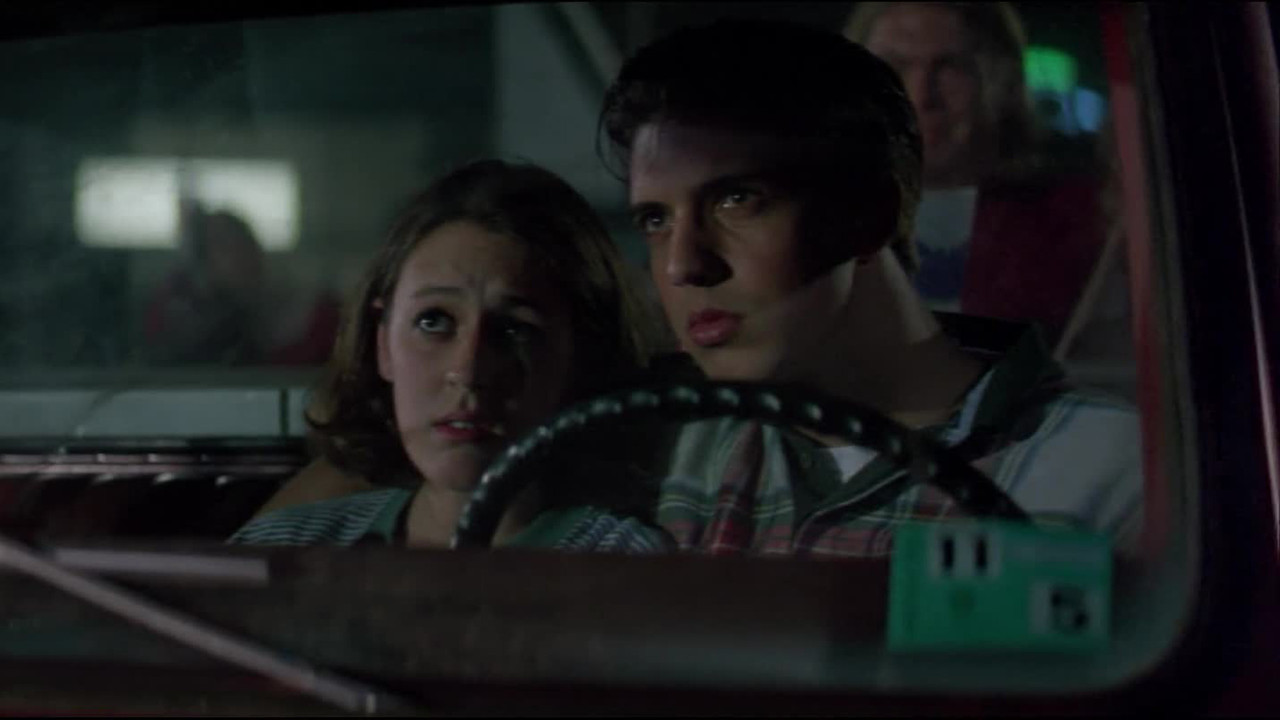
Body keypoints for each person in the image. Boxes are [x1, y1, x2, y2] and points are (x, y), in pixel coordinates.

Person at [598, 19, 1142, 557]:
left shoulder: (1096, 471)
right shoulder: (679, 458)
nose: (682, 264)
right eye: (655, 220)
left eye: (736, 200)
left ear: (868, 215)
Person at [231, 160, 669, 551]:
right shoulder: (289, 547)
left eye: (514, 330)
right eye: (433, 321)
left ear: (581, 353)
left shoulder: (629, 567)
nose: (468, 370)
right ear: (383, 345)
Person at [844, 2, 1110, 345]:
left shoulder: (1083, 219)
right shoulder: (816, 219)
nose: (920, 95)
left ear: (1004, 79)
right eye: (893, 67)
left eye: (951, 67)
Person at [143, 206, 341, 365]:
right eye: (224, 245)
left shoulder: (313, 310)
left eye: (244, 240)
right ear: (203, 264)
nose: (240, 252)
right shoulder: (186, 321)